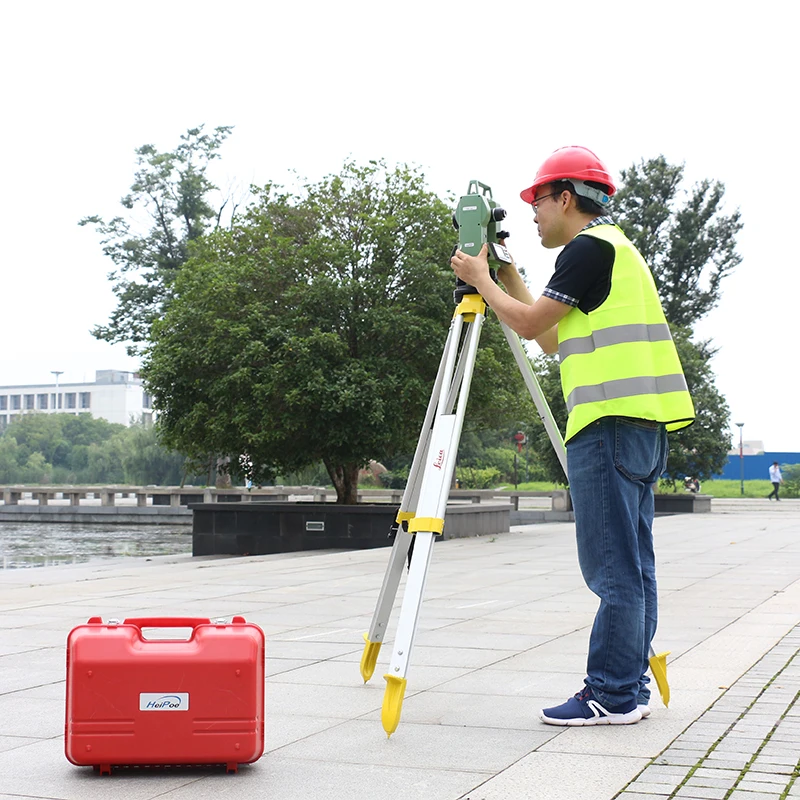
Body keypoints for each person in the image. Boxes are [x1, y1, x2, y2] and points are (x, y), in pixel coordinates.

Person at [450, 146, 695, 727]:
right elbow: (550, 339)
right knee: (633, 566)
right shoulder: (615, 250)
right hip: (639, 427)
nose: (532, 214)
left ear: (565, 198)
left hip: (607, 427)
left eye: (537, 201)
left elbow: (530, 324)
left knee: (612, 568)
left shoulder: (587, 249)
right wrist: (507, 273)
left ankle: (609, 693)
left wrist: (479, 279)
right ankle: (629, 686)